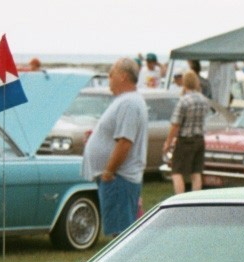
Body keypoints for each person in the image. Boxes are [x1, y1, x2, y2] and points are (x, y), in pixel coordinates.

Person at [83, 57, 148, 236]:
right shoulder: (127, 101)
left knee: (121, 235)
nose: (109, 79)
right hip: (118, 179)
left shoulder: (129, 103)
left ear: (123, 76)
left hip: (119, 178)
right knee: (121, 233)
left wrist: (109, 172)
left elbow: (125, 141)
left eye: (111, 74)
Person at [164, 70, 211, 194]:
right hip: (199, 139)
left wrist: (168, 142)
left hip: (185, 140)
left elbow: (176, 124)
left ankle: (179, 197)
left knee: (177, 171)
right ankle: (195, 198)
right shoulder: (204, 100)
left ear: (184, 82)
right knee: (196, 172)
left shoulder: (184, 101)